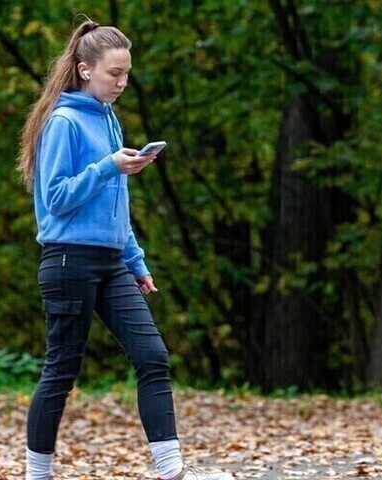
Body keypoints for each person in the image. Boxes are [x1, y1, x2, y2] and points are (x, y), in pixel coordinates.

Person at [16, 17, 235, 480]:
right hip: (68, 260)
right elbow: (55, 198)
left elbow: (117, 205)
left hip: (113, 262)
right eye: (114, 73)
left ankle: (171, 469)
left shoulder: (109, 120)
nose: (121, 83)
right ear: (85, 70)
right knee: (62, 370)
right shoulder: (63, 122)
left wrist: (136, 261)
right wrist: (107, 167)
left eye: (126, 74)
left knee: (152, 356)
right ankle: (37, 473)